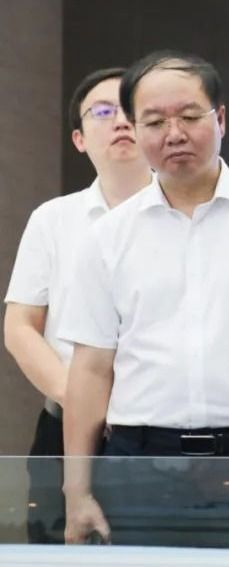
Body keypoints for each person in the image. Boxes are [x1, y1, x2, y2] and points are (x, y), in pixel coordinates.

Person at [58, 51, 229, 548]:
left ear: (221, 118)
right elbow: (90, 368)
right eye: (154, 122)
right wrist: (76, 491)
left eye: (190, 116)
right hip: (139, 467)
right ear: (136, 129)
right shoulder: (108, 236)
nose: (174, 133)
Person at [3, 67, 152, 544]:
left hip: (155, 434)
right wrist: (79, 399)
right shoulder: (53, 220)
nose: (121, 122)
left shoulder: (184, 216)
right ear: (79, 139)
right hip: (62, 422)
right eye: (103, 112)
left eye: (131, 110)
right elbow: (20, 326)